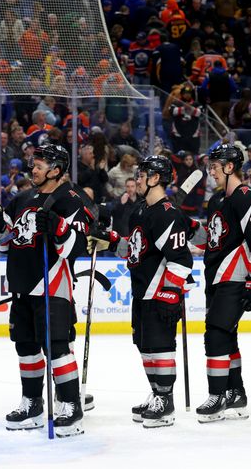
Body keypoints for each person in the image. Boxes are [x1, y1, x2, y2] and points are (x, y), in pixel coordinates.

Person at [0, 143, 89, 437]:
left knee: (55, 347)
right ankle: (32, 402)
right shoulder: (21, 199)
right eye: (34, 163)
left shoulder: (71, 199)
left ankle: (70, 404)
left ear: (55, 170)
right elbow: (5, 245)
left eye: (40, 164)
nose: (33, 168)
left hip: (52, 284)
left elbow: (74, 248)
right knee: (26, 347)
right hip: (21, 284)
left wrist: (56, 226)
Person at [88, 156, 192, 428]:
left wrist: (171, 293)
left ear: (157, 178)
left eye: (143, 175)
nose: (138, 179)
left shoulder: (168, 214)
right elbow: (135, 249)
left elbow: (181, 260)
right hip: (140, 290)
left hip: (159, 291)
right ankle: (157, 393)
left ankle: (166, 402)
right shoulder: (140, 211)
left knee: (160, 347)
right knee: (144, 346)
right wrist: (111, 241)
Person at [195, 143, 251, 423]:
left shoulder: (248, 197)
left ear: (230, 167)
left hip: (235, 276)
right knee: (226, 334)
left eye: (215, 167)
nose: (211, 173)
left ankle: (217, 396)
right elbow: (214, 239)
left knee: (215, 333)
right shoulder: (218, 200)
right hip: (215, 276)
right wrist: (190, 228)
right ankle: (235, 393)